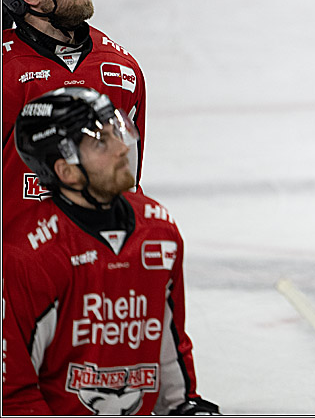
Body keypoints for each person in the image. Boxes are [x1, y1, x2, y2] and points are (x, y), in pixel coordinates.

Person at [2, 87, 217, 415]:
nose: (121, 148)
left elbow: (168, 344)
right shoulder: (28, 253)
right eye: (100, 142)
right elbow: (12, 394)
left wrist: (183, 406)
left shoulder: (158, 230)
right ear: (67, 171)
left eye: (116, 132)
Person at [3, 0, 147, 234]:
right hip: (19, 265)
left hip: (99, 260)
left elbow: (128, 181)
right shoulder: (6, 72)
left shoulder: (121, 71)